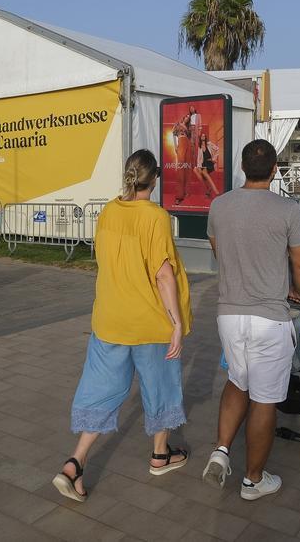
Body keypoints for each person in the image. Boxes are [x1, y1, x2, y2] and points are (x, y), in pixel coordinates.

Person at [52, 149, 192, 503]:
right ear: (154, 179)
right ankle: (160, 455)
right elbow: (163, 274)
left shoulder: (108, 212)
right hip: (148, 321)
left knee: (102, 391)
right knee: (159, 385)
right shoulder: (155, 217)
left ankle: (75, 462)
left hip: (109, 320)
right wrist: (176, 323)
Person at [202, 139, 300, 501]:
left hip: (229, 314)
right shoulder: (288, 209)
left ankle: (221, 450)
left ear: (243, 168)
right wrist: (299, 290)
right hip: (269, 318)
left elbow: (219, 251)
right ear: (275, 169)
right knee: (264, 400)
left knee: (237, 379)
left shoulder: (219, 206)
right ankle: (253, 479)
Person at [193, 134, 220, 199]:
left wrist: (213, 158)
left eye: (204, 136)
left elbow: (217, 149)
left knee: (204, 173)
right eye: (202, 136)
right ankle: (208, 189)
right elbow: (199, 159)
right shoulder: (199, 147)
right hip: (203, 164)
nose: (203, 137)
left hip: (209, 162)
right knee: (196, 171)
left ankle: (216, 191)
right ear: (200, 138)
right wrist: (199, 166)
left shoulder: (209, 144)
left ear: (205, 137)